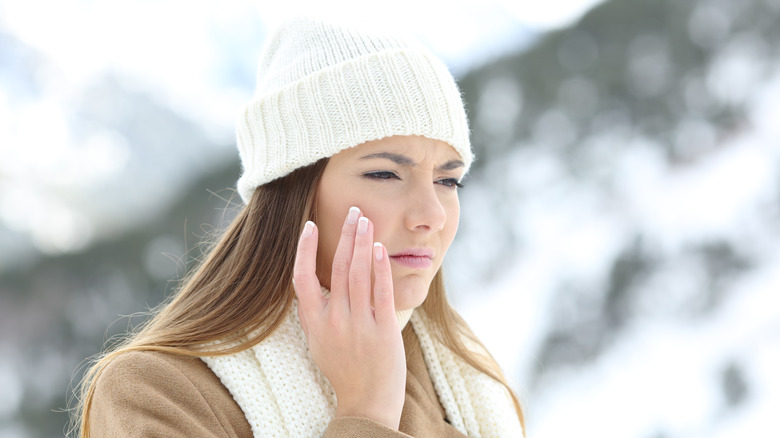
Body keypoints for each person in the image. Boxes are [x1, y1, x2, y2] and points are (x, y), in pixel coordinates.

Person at [73, 17, 525, 437]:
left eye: (448, 179)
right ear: (293, 191)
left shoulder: (468, 378)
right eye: (385, 174)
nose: (433, 214)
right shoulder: (159, 394)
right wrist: (365, 412)